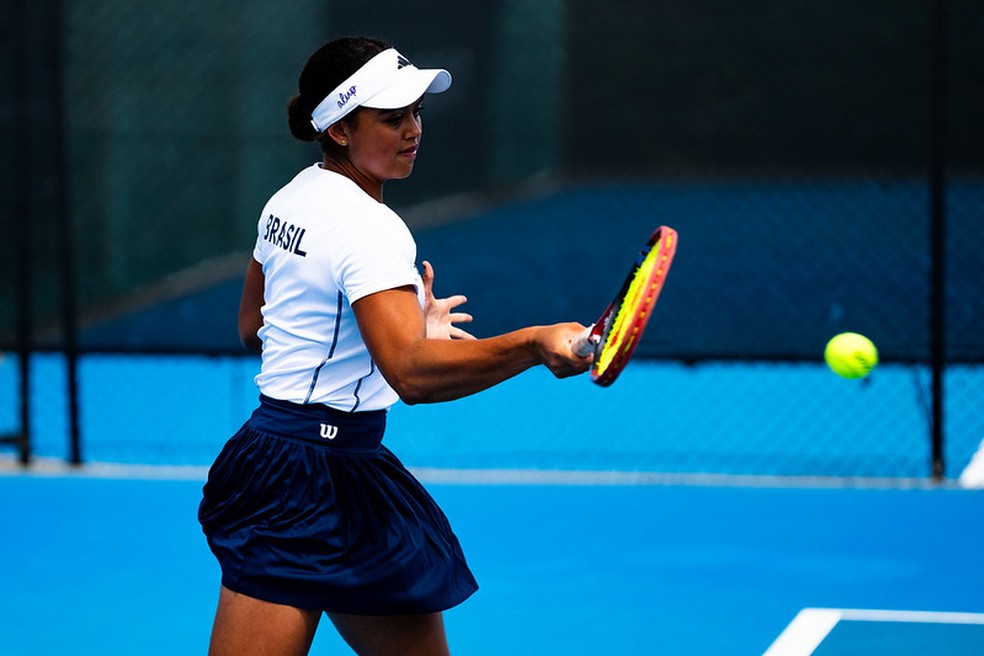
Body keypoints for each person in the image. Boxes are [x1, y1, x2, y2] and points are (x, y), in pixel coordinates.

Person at [198, 36, 592, 656]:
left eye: (416, 113)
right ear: (339, 130)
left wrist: (394, 331)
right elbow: (413, 376)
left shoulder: (292, 197)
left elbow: (255, 326)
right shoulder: (369, 227)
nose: (413, 129)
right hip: (299, 482)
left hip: (319, 462)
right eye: (391, 118)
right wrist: (533, 343)